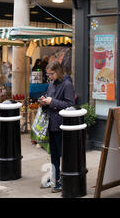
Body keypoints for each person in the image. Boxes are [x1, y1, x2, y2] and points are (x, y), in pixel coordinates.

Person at [38, 61, 75, 193]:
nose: (50, 77)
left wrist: (52, 101)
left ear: (58, 71)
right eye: (48, 74)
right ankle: (55, 178)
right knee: (53, 154)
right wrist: (44, 101)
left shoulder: (67, 84)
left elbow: (70, 104)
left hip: (62, 125)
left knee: (62, 154)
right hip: (51, 124)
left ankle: (64, 180)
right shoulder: (51, 84)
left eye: (52, 74)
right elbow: (49, 99)